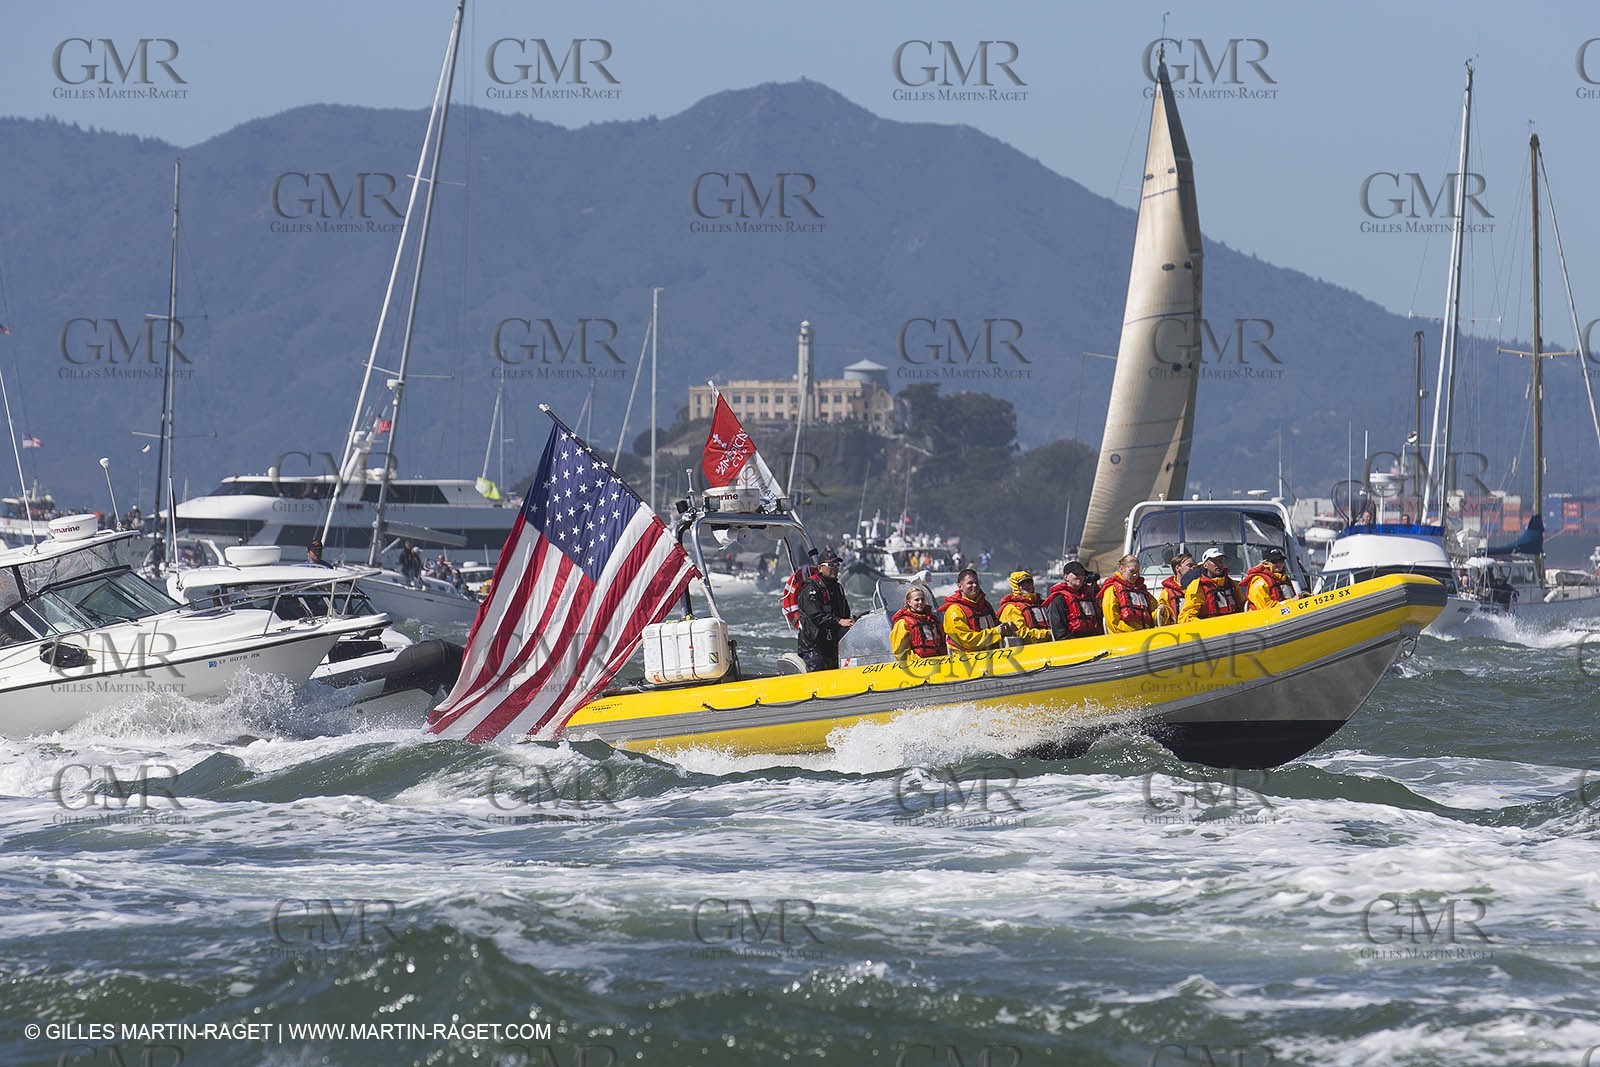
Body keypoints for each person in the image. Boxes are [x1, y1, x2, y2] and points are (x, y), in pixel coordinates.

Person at [797, 552, 854, 671]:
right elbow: (815, 616)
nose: (835, 569)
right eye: (831, 565)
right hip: (813, 645)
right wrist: (838, 621)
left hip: (832, 643)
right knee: (818, 667)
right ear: (820, 568)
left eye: (837, 565)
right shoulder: (811, 589)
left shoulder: (837, 588)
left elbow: (844, 612)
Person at [941, 568, 1016, 652]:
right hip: (967, 659)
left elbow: (996, 624)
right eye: (970, 583)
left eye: (976, 582)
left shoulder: (985, 605)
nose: (975, 585)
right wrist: (996, 632)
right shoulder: (954, 611)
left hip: (991, 654)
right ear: (960, 586)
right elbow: (967, 641)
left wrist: (1006, 627)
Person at [1179, 547, 1244, 623]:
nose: (1219, 564)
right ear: (1205, 565)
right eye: (1214, 561)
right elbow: (1187, 617)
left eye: (1220, 560)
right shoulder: (1197, 587)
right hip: (1212, 631)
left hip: (1236, 630)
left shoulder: (1231, 584)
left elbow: (1243, 605)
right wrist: (1206, 627)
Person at [1043, 562, 1103, 639]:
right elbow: (1059, 631)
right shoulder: (1059, 600)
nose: (1080, 577)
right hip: (1074, 644)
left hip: (1095, 642)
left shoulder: (1089, 597)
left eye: (1082, 574)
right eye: (1076, 574)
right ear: (1066, 577)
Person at [889, 584, 947, 663]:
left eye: (922, 599)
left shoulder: (933, 619)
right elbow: (900, 651)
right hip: (919, 664)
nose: (920, 602)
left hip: (941, 661)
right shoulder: (903, 623)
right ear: (909, 602)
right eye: (916, 600)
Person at [1100, 554, 1156, 633]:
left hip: (1145, 633)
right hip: (1125, 637)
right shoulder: (1112, 590)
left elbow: (1154, 609)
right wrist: (1135, 632)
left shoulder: (1141, 590)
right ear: (1121, 569)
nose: (1135, 575)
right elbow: (1113, 622)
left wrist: (1162, 612)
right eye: (1132, 571)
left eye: (1137, 571)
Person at [998, 570, 1052, 643]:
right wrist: (1049, 633)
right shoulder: (1011, 608)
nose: (1026, 585)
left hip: (1051, 644)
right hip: (1030, 648)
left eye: (1029, 582)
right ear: (1016, 586)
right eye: (1022, 583)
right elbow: (1022, 634)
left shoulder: (1042, 603)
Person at [1156, 552, 1196, 626]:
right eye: (1189, 565)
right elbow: (1162, 618)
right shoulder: (1166, 592)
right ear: (1177, 568)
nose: (1193, 568)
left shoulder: (1199, 586)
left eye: (1194, 565)